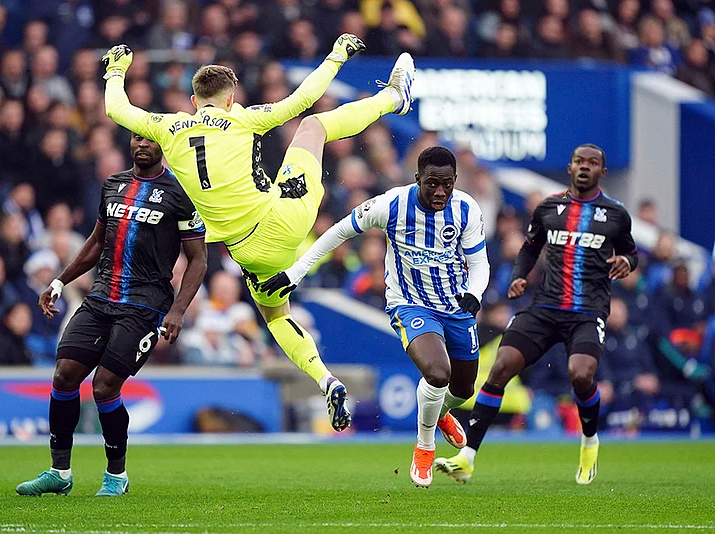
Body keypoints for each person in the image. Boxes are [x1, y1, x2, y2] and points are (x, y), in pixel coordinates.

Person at [102, 35, 415, 432]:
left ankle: (325, 379)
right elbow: (303, 99)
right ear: (230, 99)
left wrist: (116, 68)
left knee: (275, 314)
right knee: (314, 126)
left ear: (194, 101)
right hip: (284, 216)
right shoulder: (243, 117)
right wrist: (336, 55)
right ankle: (393, 98)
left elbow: (116, 107)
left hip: (247, 252)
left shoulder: (167, 127)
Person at [261, 146, 490, 488]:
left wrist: (475, 292)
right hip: (410, 304)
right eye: (432, 184)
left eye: (447, 184)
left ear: (456, 181)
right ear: (417, 179)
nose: (440, 191)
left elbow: (480, 262)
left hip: (455, 306)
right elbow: (339, 231)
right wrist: (296, 272)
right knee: (438, 373)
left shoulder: (466, 209)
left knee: (462, 388)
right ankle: (424, 447)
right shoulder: (391, 205)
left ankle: (441, 412)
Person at [16, 132, 208, 497]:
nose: (141, 145)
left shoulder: (180, 196)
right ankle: (60, 472)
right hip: (101, 295)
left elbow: (199, 258)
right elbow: (94, 243)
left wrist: (178, 309)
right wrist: (59, 281)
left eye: (149, 140)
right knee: (64, 374)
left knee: (104, 385)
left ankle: (116, 476)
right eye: (136, 138)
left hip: (145, 305)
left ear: (161, 147)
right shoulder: (113, 185)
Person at [435, 144, 638, 485]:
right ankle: (467, 458)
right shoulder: (549, 207)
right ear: (570, 167)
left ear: (602, 171)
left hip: (587, 311)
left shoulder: (615, 213)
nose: (584, 167)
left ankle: (589, 441)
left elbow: (631, 253)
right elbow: (530, 249)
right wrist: (518, 276)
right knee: (501, 367)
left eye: (592, 163)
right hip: (544, 307)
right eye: (578, 162)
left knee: (581, 374)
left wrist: (626, 262)